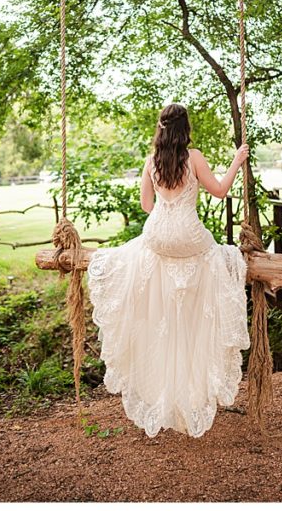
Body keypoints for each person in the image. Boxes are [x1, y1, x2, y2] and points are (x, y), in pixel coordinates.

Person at [87, 103, 251, 437]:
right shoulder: (194, 157)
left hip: (158, 237)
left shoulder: (152, 161)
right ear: (185, 127)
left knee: (143, 256)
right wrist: (237, 161)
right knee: (219, 258)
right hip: (189, 237)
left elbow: (147, 206)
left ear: (160, 128)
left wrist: (153, 185)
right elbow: (220, 192)